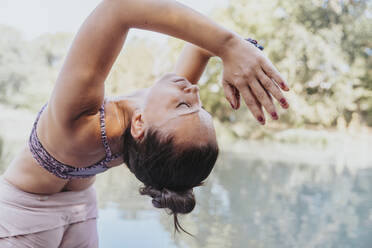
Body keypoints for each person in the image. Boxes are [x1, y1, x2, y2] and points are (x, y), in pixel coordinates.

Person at [0, 0, 290, 247]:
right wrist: (240, 50)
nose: (194, 91)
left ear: (140, 124)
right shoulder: (148, 144)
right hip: (80, 210)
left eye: (183, 106)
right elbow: (201, 47)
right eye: (197, 107)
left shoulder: (76, 122)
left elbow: (118, 8)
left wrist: (228, 45)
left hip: (26, 219)